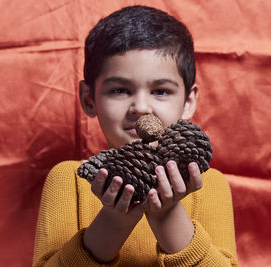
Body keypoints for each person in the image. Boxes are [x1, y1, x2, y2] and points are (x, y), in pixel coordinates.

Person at [32, 5, 238, 267]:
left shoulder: (208, 185)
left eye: (161, 91)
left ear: (188, 101)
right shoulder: (69, 181)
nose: (141, 107)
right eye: (120, 90)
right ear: (88, 99)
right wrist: (113, 222)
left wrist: (168, 216)